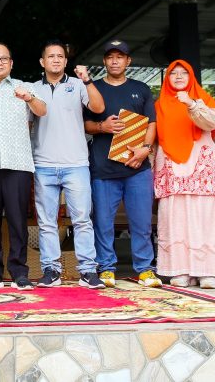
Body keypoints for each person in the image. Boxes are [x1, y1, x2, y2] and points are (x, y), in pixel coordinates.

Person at [153, 59, 215, 289]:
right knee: (176, 218)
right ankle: (180, 270)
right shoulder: (159, 104)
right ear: (167, 78)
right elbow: (153, 138)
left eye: (184, 73)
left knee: (205, 218)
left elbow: (211, 123)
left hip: (202, 165)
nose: (178, 77)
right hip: (172, 166)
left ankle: (208, 271)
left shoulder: (203, 98)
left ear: (191, 77)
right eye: (173, 73)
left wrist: (191, 104)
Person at [83, 39, 161, 288]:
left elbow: (152, 123)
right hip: (103, 168)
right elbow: (84, 124)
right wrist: (101, 126)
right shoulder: (93, 88)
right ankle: (106, 268)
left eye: (120, 57)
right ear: (104, 61)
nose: (115, 61)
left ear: (128, 61)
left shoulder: (141, 88)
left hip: (137, 168)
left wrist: (145, 149)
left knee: (141, 222)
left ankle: (145, 269)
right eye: (110, 57)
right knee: (103, 223)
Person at [31, 39, 106, 289]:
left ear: (65, 61)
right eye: (51, 56)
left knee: (82, 219)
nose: (56, 60)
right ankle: (51, 270)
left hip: (76, 163)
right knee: (46, 222)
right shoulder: (32, 89)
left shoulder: (78, 84)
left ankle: (88, 271)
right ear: (42, 61)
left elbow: (98, 107)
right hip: (43, 163)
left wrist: (87, 80)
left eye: (60, 56)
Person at [0, 42, 46, 291]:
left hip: (18, 164)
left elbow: (42, 111)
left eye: (4, 58)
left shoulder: (25, 87)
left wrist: (29, 98)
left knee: (17, 221)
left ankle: (19, 272)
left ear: (11, 63)